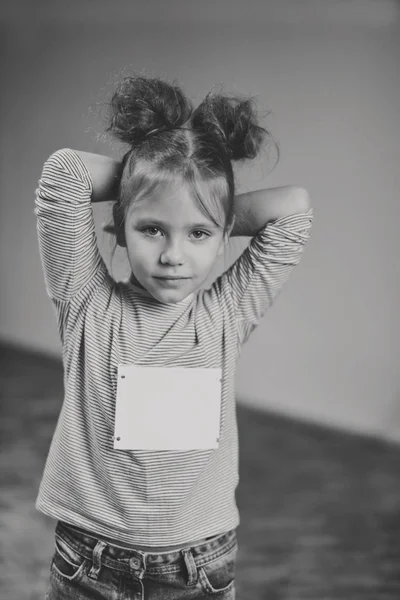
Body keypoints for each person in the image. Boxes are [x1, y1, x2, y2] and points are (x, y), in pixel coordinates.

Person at [35, 74, 314, 600]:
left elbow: (294, 206)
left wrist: (193, 194)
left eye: (200, 233)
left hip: (198, 566)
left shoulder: (227, 312)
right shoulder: (87, 302)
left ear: (224, 231)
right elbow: (64, 171)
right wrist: (153, 181)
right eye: (152, 228)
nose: (173, 255)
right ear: (120, 223)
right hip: (87, 561)